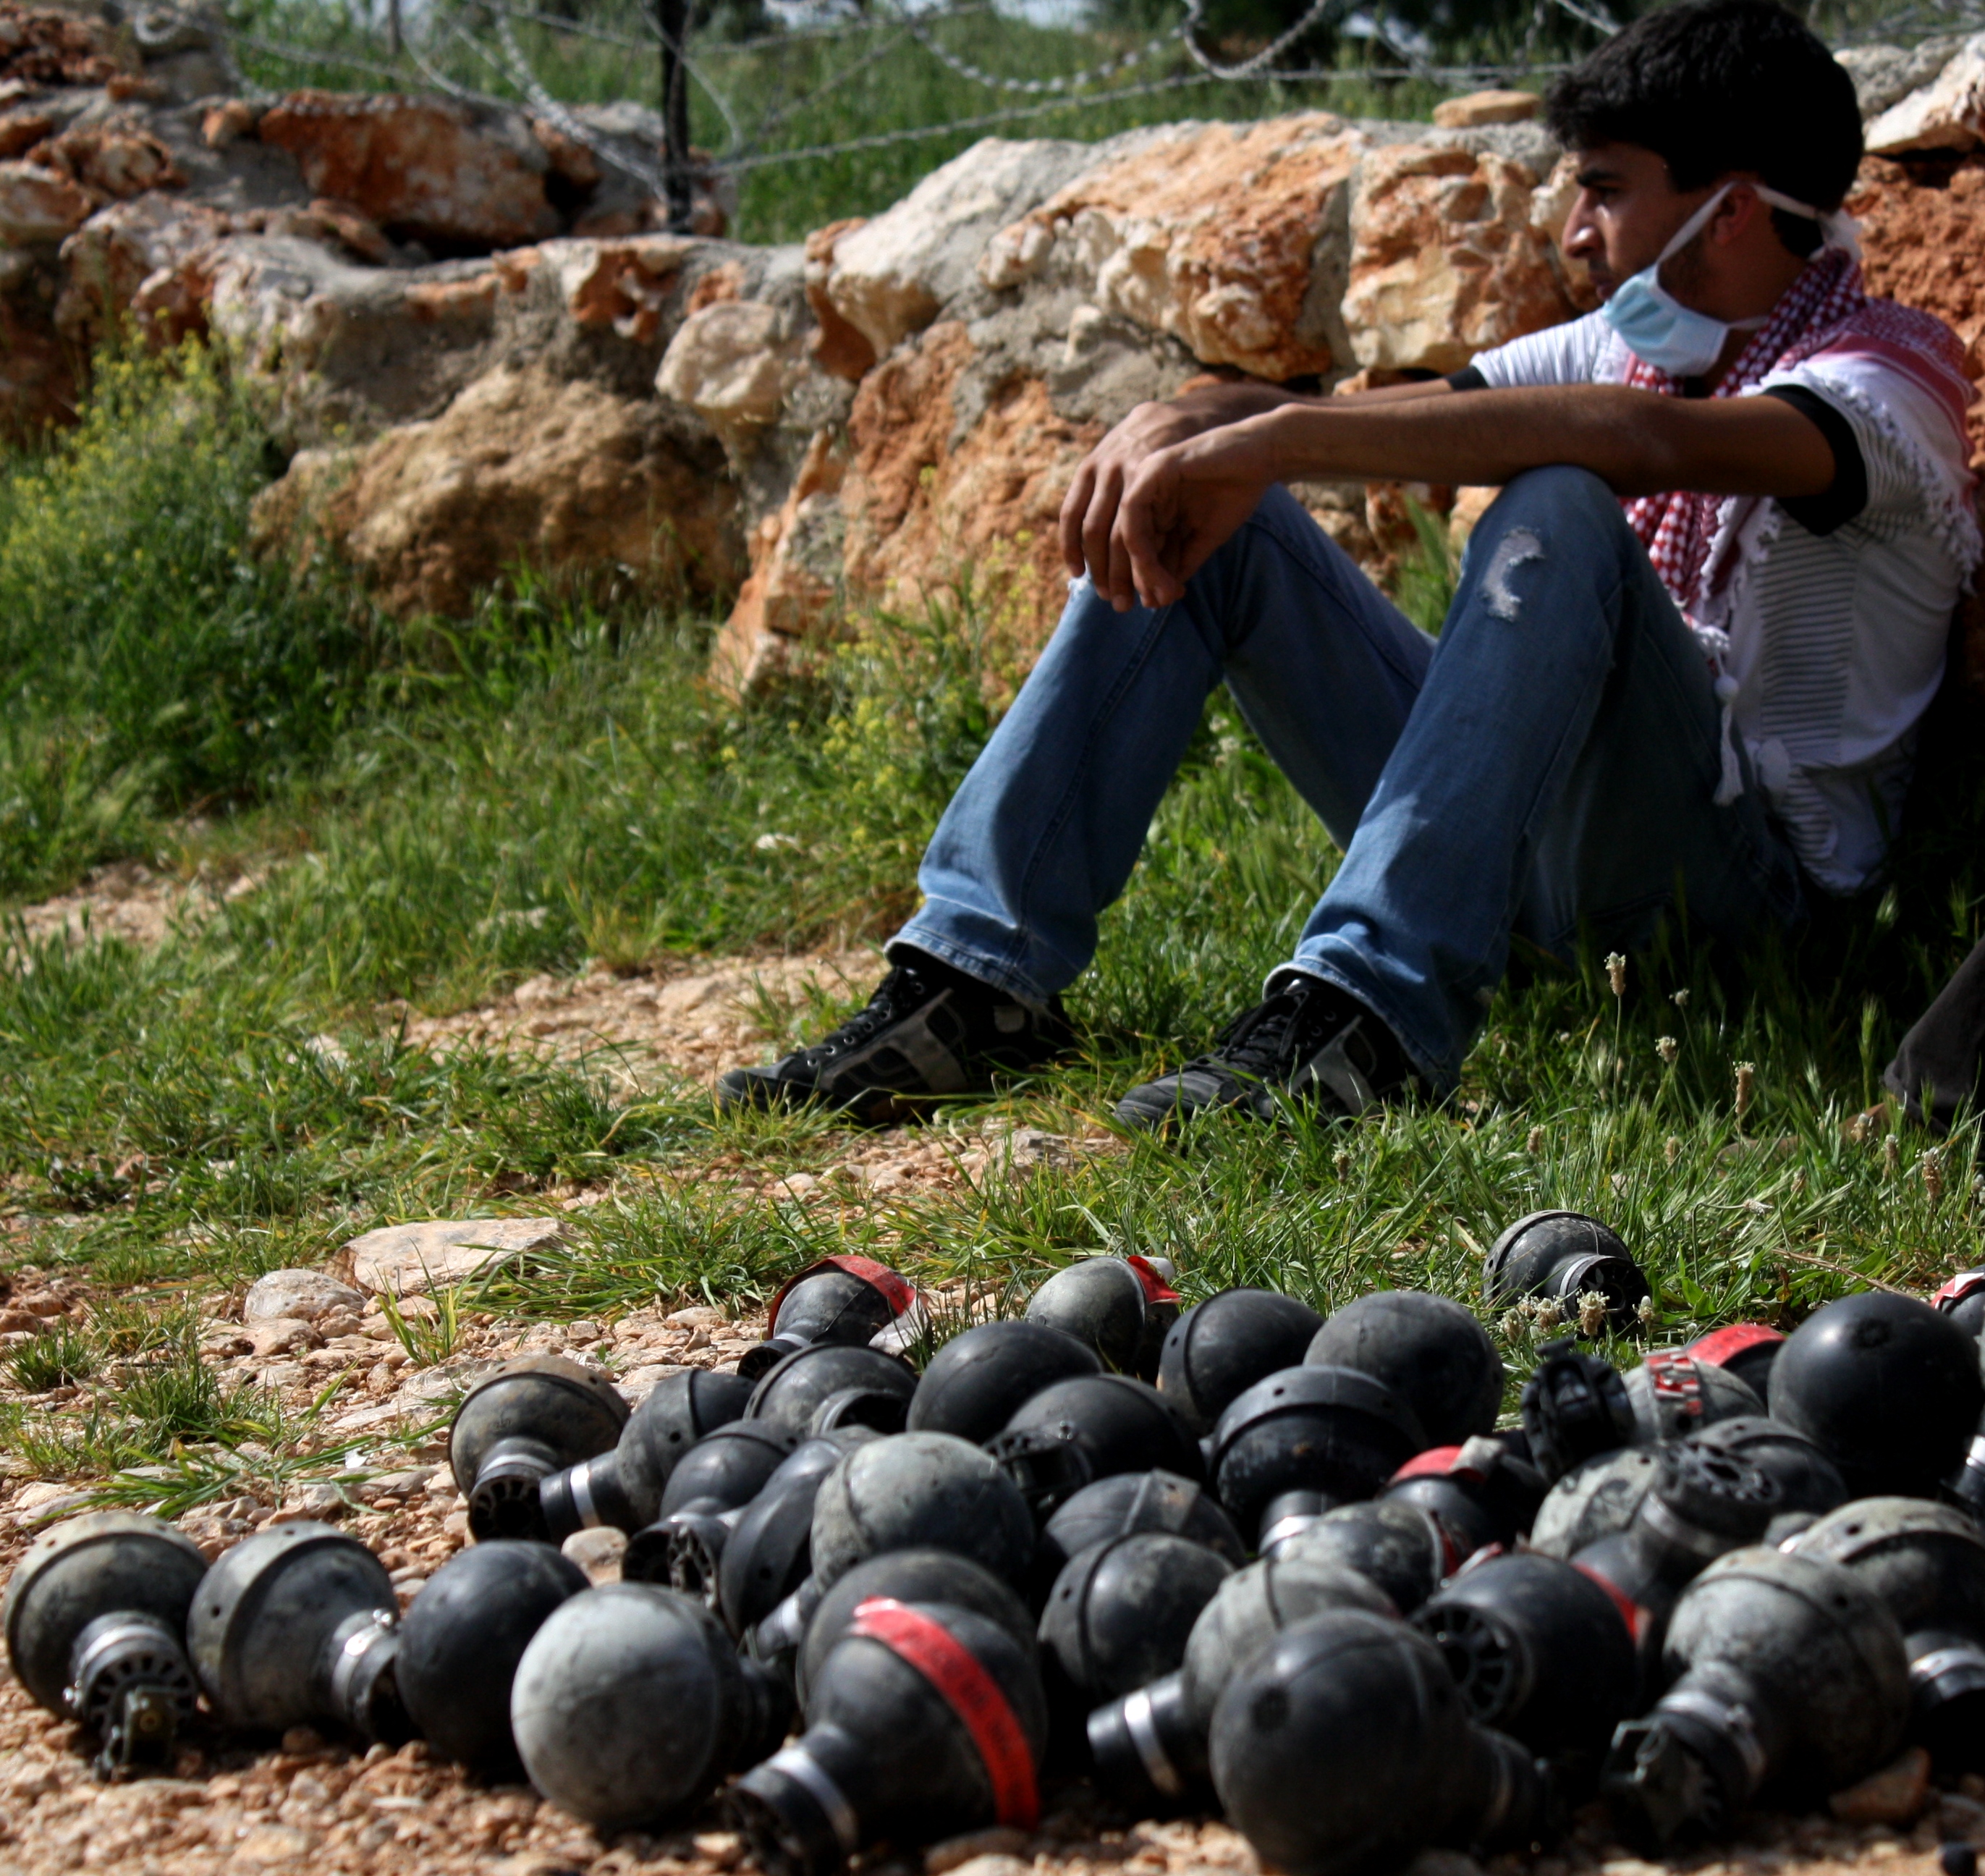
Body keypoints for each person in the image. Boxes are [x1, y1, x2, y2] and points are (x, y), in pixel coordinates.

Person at [721, 0, 1981, 1131]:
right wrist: (1195, 421)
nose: (1574, 232)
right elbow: (1405, 412)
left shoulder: (1886, 387)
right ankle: (975, 979)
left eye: (1604, 191)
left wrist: (1267, 436)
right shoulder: (1635, 345)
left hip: (1746, 904)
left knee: (1561, 499)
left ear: (1734, 208)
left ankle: (1366, 1018)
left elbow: (1638, 443)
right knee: (1224, 512)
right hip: (1548, 860)